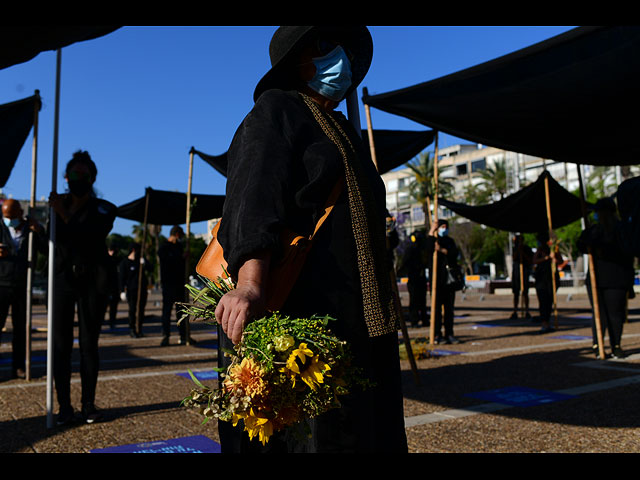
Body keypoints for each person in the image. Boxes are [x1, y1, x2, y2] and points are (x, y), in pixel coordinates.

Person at [214, 26, 407, 453]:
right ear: (297, 60)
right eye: (324, 46)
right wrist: (250, 284)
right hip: (306, 317)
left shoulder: (341, 129)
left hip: (361, 323)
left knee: (365, 431)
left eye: (344, 50)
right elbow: (254, 194)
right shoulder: (277, 109)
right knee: (311, 436)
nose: (340, 58)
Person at [48, 150, 116, 425]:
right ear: (66, 177)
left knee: (89, 344)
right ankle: (64, 405)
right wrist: (39, 231)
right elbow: (52, 245)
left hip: (91, 282)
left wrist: (63, 213)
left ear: (92, 178)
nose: (79, 179)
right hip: (63, 280)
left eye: (84, 175)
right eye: (74, 174)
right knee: (60, 345)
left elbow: (90, 235)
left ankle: (88, 403)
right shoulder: (54, 206)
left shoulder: (104, 209)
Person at [578, 198, 635, 358]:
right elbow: (581, 245)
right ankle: (598, 345)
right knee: (599, 313)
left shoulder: (621, 230)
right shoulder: (595, 231)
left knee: (614, 314)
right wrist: (587, 236)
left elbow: (627, 252)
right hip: (597, 279)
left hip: (616, 278)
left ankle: (615, 345)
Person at [0, 199, 46, 379]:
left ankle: (19, 366)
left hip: (22, 286)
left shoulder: (31, 229)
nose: (9, 220)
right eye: (6, 217)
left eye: (12, 216)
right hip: (1, 284)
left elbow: (45, 250)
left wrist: (39, 231)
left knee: (21, 330)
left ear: (21, 213)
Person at [425, 219, 461, 344]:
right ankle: (437, 335)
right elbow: (428, 249)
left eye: (446, 226)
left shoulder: (450, 241)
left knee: (449, 310)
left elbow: (454, 254)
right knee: (436, 310)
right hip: (437, 281)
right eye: (442, 227)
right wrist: (432, 230)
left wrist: (442, 250)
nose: (444, 229)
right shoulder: (433, 239)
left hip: (449, 282)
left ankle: (449, 333)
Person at [157, 225, 192, 346]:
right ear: (177, 234)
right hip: (168, 284)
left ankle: (184, 335)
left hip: (179, 284)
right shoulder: (164, 248)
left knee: (181, 311)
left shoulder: (179, 246)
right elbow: (168, 263)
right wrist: (181, 258)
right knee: (166, 311)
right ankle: (165, 336)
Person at [532, 231, 564, 334]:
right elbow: (534, 260)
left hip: (551, 278)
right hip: (541, 279)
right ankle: (544, 322)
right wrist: (546, 258)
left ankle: (548, 321)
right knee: (543, 301)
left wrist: (554, 258)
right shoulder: (540, 250)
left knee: (550, 301)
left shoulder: (554, 249)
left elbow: (560, 261)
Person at [119, 243, 150, 338]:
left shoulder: (140, 261)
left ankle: (139, 328)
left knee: (141, 310)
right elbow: (121, 278)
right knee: (132, 310)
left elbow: (150, 268)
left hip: (142, 289)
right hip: (131, 290)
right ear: (133, 250)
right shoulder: (124, 263)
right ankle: (132, 329)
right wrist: (122, 291)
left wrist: (145, 263)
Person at [400, 230, 428, 328]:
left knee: (421, 300)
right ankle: (415, 320)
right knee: (414, 300)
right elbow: (405, 263)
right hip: (414, 278)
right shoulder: (411, 249)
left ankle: (423, 319)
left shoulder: (423, 249)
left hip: (420, 277)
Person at [510, 234, 533, 320]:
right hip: (516, 272)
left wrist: (522, 252)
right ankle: (515, 311)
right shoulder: (514, 248)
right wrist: (518, 250)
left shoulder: (527, 249)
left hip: (524, 272)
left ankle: (527, 310)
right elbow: (514, 257)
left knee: (525, 292)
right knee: (516, 293)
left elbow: (530, 260)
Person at [103, 245, 121, 330]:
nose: (112, 252)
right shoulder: (104, 261)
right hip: (105, 288)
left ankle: (112, 322)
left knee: (113, 308)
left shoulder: (117, 261)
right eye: (111, 250)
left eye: (113, 250)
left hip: (114, 288)